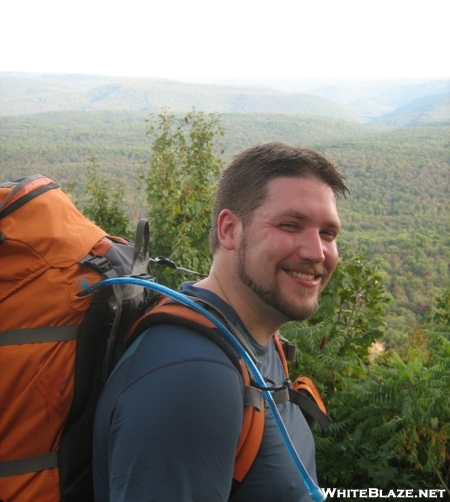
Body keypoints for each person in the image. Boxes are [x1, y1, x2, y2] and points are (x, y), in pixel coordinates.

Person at [93, 141, 347, 502]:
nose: (316, 252)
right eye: (291, 225)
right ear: (229, 230)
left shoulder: (250, 340)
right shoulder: (191, 376)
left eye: (328, 234)